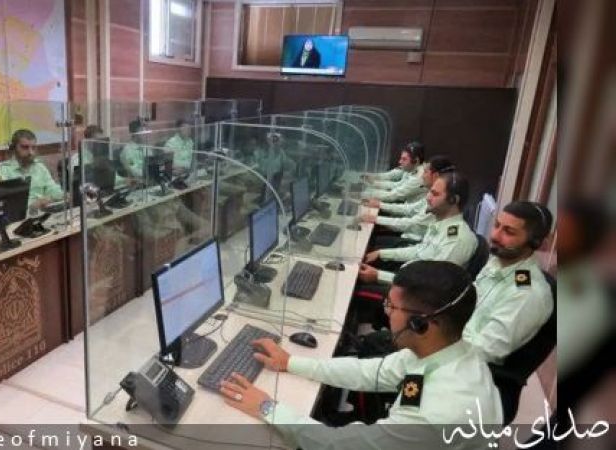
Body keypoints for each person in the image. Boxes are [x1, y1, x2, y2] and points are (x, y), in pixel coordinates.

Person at [219, 261, 502, 449]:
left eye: (392, 307)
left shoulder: (435, 416)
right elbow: (369, 372)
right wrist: (291, 362)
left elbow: (336, 445)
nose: (386, 313)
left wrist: (267, 408)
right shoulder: (444, 352)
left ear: (422, 324)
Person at [462, 201, 554, 424]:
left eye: (509, 232)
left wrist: (433, 348)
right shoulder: (498, 262)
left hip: (475, 379)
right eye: (497, 225)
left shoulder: (527, 294)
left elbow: (485, 350)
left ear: (534, 242)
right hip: (457, 354)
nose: (495, 235)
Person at [358, 172, 477, 285]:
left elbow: (431, 282)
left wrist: (379, 276)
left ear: (453, 200)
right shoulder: (440, 222)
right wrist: (382, 253)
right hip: (408, 276)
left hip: (414, 293)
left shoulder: (457, 240)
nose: (428, 197)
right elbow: (419, 252)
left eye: (435, 194)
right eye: (430, 192)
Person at [362, 155, 455, 249]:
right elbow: (410, 209)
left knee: (368, 243)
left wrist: (377, 218)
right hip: (408, 236)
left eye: (425, 172)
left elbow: (411, 223)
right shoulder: (432, 194)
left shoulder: (439, 203)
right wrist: (379, 206)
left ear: (435, 176)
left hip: (412, 241)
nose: (422, 176)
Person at [0, 129, 64, 212]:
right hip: (19, 217)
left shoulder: (39, 167)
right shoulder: (2, 170)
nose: (31, 152)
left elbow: (53, 189)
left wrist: (61, 195)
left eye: (33, 148)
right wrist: (33, 205)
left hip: (44, 213)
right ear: (14, 148)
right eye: (25, 147)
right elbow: (3, 204)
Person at [362, 142, 426, 203]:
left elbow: (393, 195)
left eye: (404, 159)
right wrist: (373, 181)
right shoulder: (411, 168)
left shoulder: (418, 177)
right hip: (403, 204)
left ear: (416, 161)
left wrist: (365, 194)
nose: (400, 162)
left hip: (404, 206)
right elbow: (395, 181)